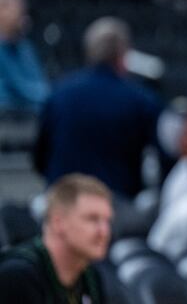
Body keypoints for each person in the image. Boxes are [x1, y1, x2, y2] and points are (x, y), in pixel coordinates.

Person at [34, 17, 163, 198]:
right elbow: (163, 160)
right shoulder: (142, 100)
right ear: (124, 56)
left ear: (89, 52)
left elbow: (40, 159)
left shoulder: (57, 95)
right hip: (115, 209)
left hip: (62, 204)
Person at [0, 173, 113, 304]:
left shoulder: (91, 277)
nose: (104, 231)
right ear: (58, 222)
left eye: (107, 221)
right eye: (92, 219)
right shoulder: (18, 275)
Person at [0, 0, 49, 113]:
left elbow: (39, 82)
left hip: (29, 117)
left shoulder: (26, 48)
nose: (23, 14)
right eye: (17, 8)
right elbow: (16, 88)